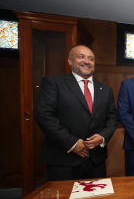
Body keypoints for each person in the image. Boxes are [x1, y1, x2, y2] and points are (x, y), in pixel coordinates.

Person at [34, 44, 118, 181]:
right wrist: (72, 143)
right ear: (70, 61)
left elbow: (112, 117)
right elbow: (44, 115)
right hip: (63, 158)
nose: (86, 61)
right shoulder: (54, 82)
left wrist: (102, 137)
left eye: (90, 58)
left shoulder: (105, 89)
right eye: (81, 57)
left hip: (96, 159)